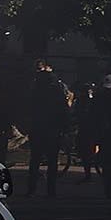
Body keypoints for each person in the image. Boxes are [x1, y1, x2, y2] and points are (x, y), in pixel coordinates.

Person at [24, 62, 71, 196]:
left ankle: (31, 189)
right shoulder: (57, 93)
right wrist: (66, 128)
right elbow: (64, 112)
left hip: (37, 129)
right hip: (53, 130)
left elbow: (28, 111)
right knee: (52, 161)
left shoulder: (34, 93)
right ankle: (51, 190)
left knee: (35, 160)